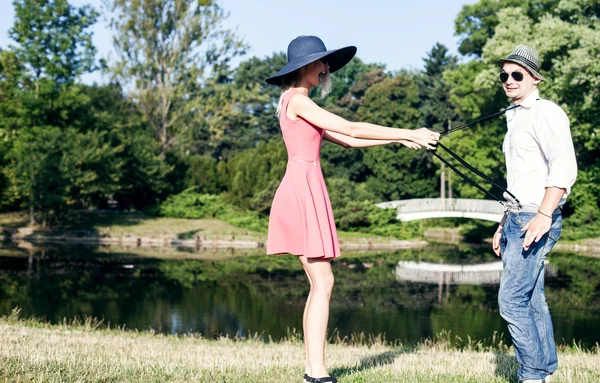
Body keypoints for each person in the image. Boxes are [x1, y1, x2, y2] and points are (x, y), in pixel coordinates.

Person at [264, 35, 439, 383]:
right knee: (323, 281)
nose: (326, 68)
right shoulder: (298, 100)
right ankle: (316, 373)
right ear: (304, 67)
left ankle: (314, 371)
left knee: (321, 283)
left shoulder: (296, 102)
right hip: (301, 189)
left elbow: (348, 139)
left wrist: (398, 139)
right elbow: (349, 126)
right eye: (321, 62)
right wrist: (411, 130)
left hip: (305, 186)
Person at [492, 45, 577, 383]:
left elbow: (564, 168)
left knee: (511, 301)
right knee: (532, 299)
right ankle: (544, 371)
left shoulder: (546, 113)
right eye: (504, 75)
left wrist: (544, 214)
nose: (509, 80)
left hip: (535, 217)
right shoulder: (515, 116)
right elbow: (519, 179)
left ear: (535, 79)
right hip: (517, 216)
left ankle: (532, 374)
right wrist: (502, 224)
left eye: (517, 74)